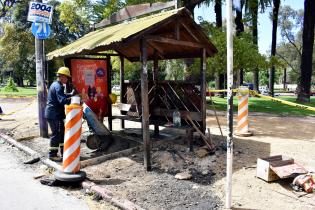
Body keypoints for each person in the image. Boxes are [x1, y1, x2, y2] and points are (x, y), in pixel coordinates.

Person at [45, 67, 74, 162]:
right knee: (56, 134)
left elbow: (62, 97)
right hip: (54, 115)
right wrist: (74, 98)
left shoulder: (57, 85)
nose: (67, 79)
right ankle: (52, 155)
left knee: (61, 133)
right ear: (62, 77)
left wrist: (70, 95)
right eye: (67, 77)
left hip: (56, 114)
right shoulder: (58, 86)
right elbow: (62, 100)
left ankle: (63, 152)